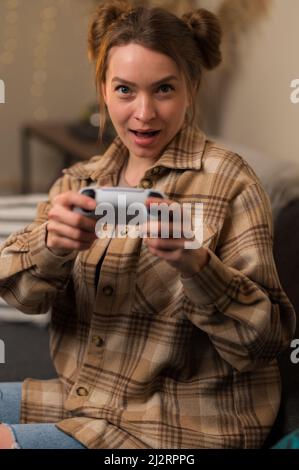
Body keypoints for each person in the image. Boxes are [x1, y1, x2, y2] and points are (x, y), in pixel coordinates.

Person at [0, 0, 296, 449]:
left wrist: (197, 265)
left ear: (191, 88)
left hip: (184, 427)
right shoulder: (79, 182)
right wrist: (51, 246)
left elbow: (266, 341)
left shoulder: (231, 183)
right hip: (88, 402)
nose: (143, 113)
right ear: (103, 89)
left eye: (163, 90)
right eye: (124, 90)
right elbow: (21, 297)